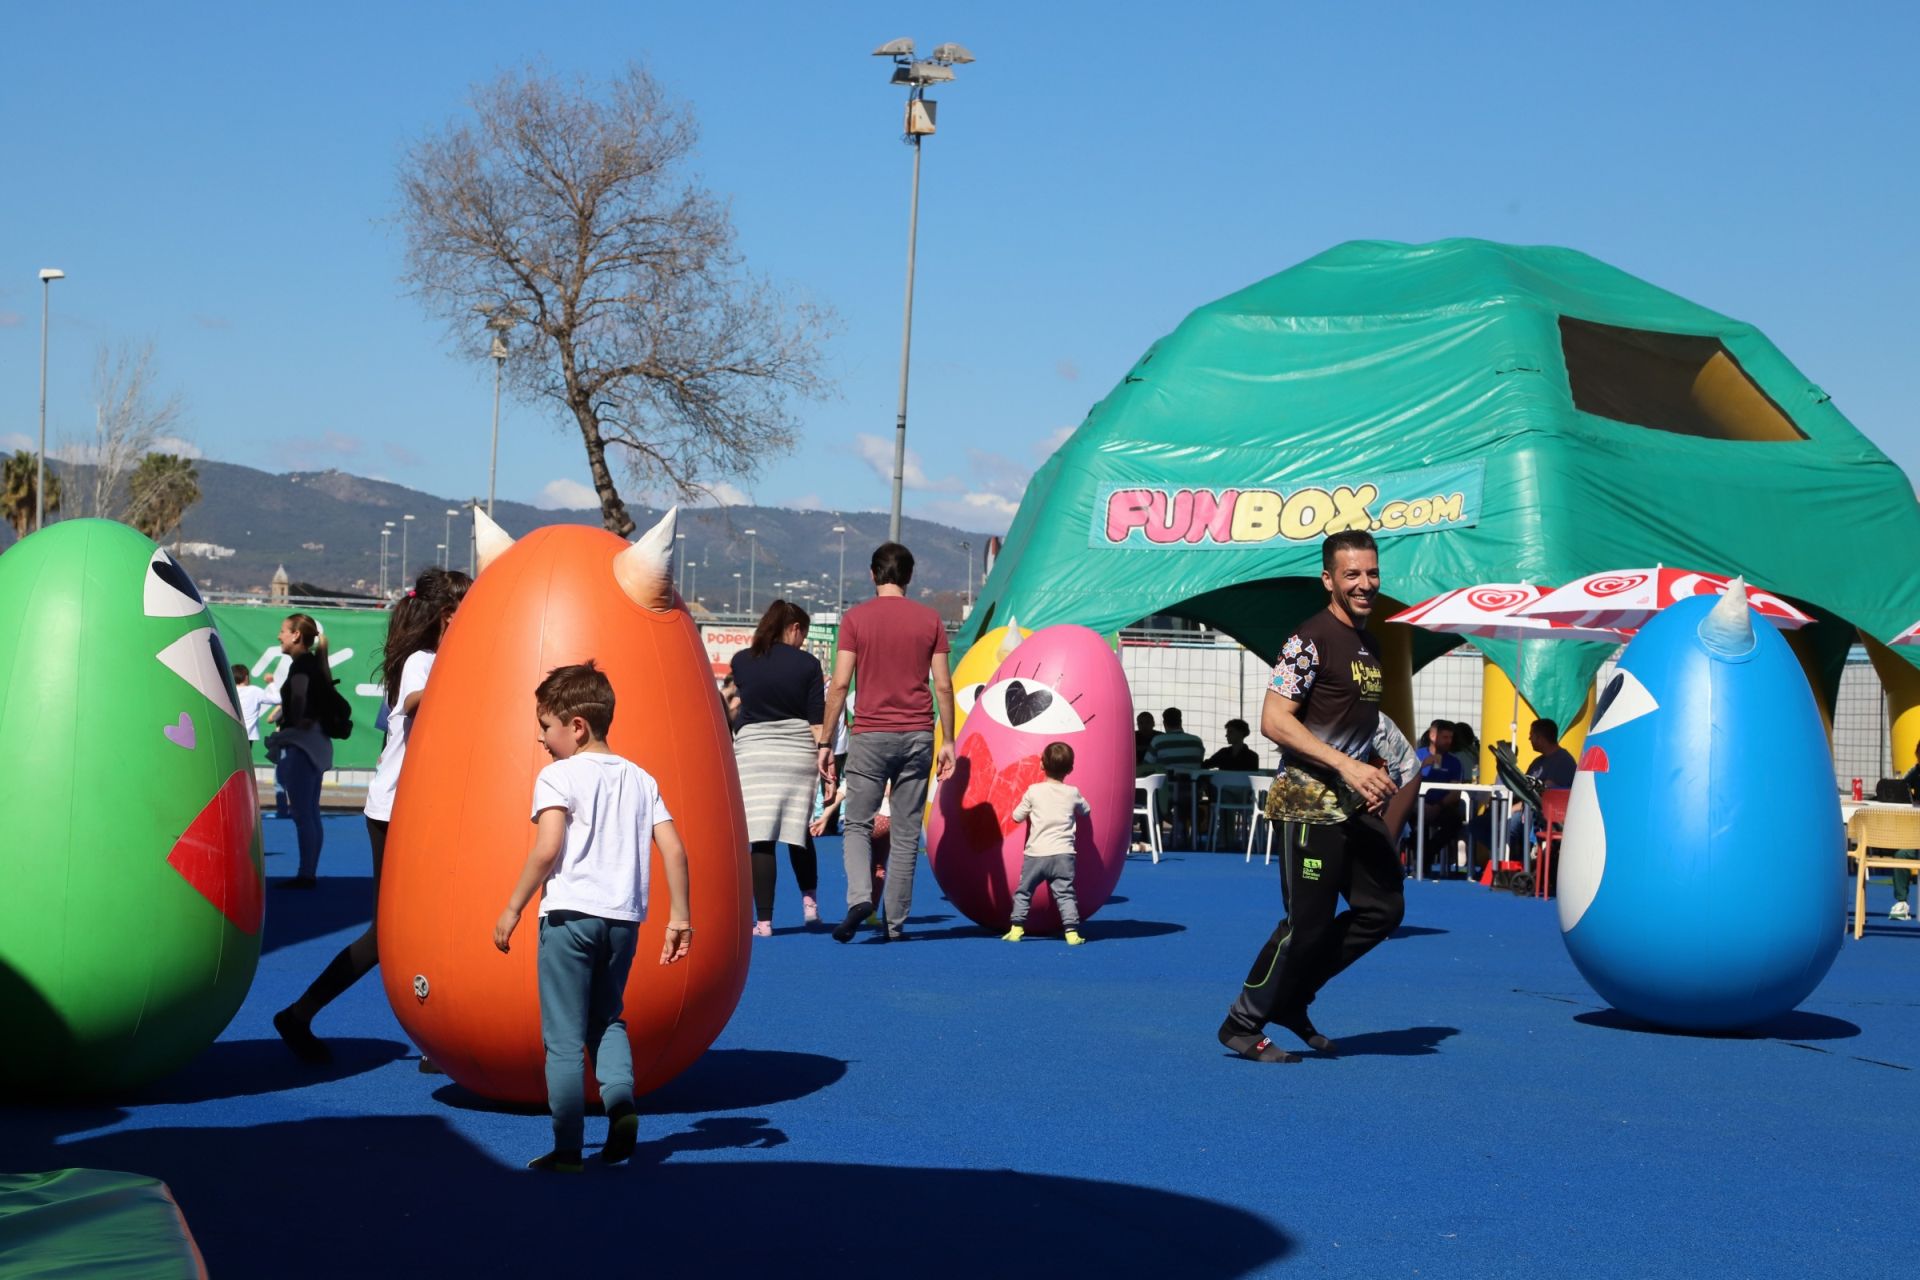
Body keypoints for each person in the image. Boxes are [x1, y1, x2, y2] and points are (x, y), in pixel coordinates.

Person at [492, 661, 693, 1173]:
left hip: (568, 919)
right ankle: (621, 1104)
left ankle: (566, 1149)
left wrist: (513, 907)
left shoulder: (557, 775)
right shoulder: (642, 778)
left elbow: (547, 848)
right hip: (624, 921)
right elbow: (674, 850)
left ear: (576, 725)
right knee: (607, 1020)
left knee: (561, 1036)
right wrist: (680, 917)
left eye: (545, 727)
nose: (541, 740)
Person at [1218, 529, 1401, 1064]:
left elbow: (1350, 722)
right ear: (1329, 580)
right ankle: (1242, 1021)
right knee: (1308, 923)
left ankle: (1292, 996)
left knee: (1383, 908)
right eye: (1352, 575)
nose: (1365, 584)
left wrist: (1370, 771)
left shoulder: (1370, 642)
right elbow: (1274, 720)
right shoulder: (1308, 640)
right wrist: (1346, 765)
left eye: (1371, 572)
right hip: (1307, 804)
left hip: (1350, 801)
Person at [274, 568, 470, 1065]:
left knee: (436, 922)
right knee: (388, 934)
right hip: (398, 813)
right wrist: (474, 668)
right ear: (448, 618)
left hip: (410, 809)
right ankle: (300, 1013)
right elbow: (413, 703)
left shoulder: (429, 658)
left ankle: (441, 1033)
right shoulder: (425, 663)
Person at [819, 542, 956, 944]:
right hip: (917, 734)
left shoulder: (855, 620)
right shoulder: (930, 620)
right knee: (907, 831)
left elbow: (840, 684)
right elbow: (943, 685)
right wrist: (948, 739)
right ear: (909, 577)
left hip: (870, 735)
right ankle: (895, 923)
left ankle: (860, 898)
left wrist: (826, 740)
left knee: (858, 824)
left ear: (872, 573)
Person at [728, 599, 827, 934]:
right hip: (797, 751)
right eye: (803, 634)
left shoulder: (742, 661)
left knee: (762, 837)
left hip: (754, 753)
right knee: (798, 831)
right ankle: (810, 907)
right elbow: (817, 722)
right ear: (794, 628)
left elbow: (738, 707)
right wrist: (826, 760)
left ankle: (765, 921)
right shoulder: (808, 664)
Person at [264, 613, 337, 888]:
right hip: (315, 743)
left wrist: (294, 719)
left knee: (303, 813)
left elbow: (298, 699)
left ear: (296, 635)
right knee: (310, 812)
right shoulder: (314, 665)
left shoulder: (302, 667)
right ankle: (308, 870)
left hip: (302, 744)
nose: (279, 636)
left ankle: (306, 873)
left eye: (283, 631)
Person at [1002, 741, 1089, 946]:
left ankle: (1016, 928)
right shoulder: (1073, 792)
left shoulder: (1033, 791)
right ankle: (1071, 931)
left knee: (1024, 891)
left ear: (1041, 765)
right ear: (1070, 768)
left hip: (1036, 854)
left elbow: (1016, 816)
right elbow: (1086, 810)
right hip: (1063, 854)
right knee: (1065, 893)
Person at [1145, 708, 1207, 847]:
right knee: (1183, 801)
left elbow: (1147, 765)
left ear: (1164, 723)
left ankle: (1159, 836)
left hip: (1168, 792)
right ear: (1181, 721)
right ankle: (1181, 826)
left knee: (1154, 797)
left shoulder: (1158, 741)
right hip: (1193, 791)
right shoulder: (1196, 741)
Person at [1416, 720, 1465, 872]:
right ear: (1432, 736)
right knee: (1412, 823)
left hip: (1442, 806)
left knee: (1455, 821)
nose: (1448, 741)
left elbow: (1456, 792)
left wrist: (1438, 806)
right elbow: (1404, 783)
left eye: (1450, 737)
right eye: (1445, 737)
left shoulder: (1454, 762)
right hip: (1416, 806)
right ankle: (1421, 861)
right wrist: (1422, 766)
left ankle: (1426, 855)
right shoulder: (1416, 756)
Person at [234, 664, 281, 750]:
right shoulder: (254, 690)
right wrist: (271, 683)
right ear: (246, 677)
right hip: (247, 735)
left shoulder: (230, 691)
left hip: (230, 732)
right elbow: (278, 699)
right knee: (244, 762)